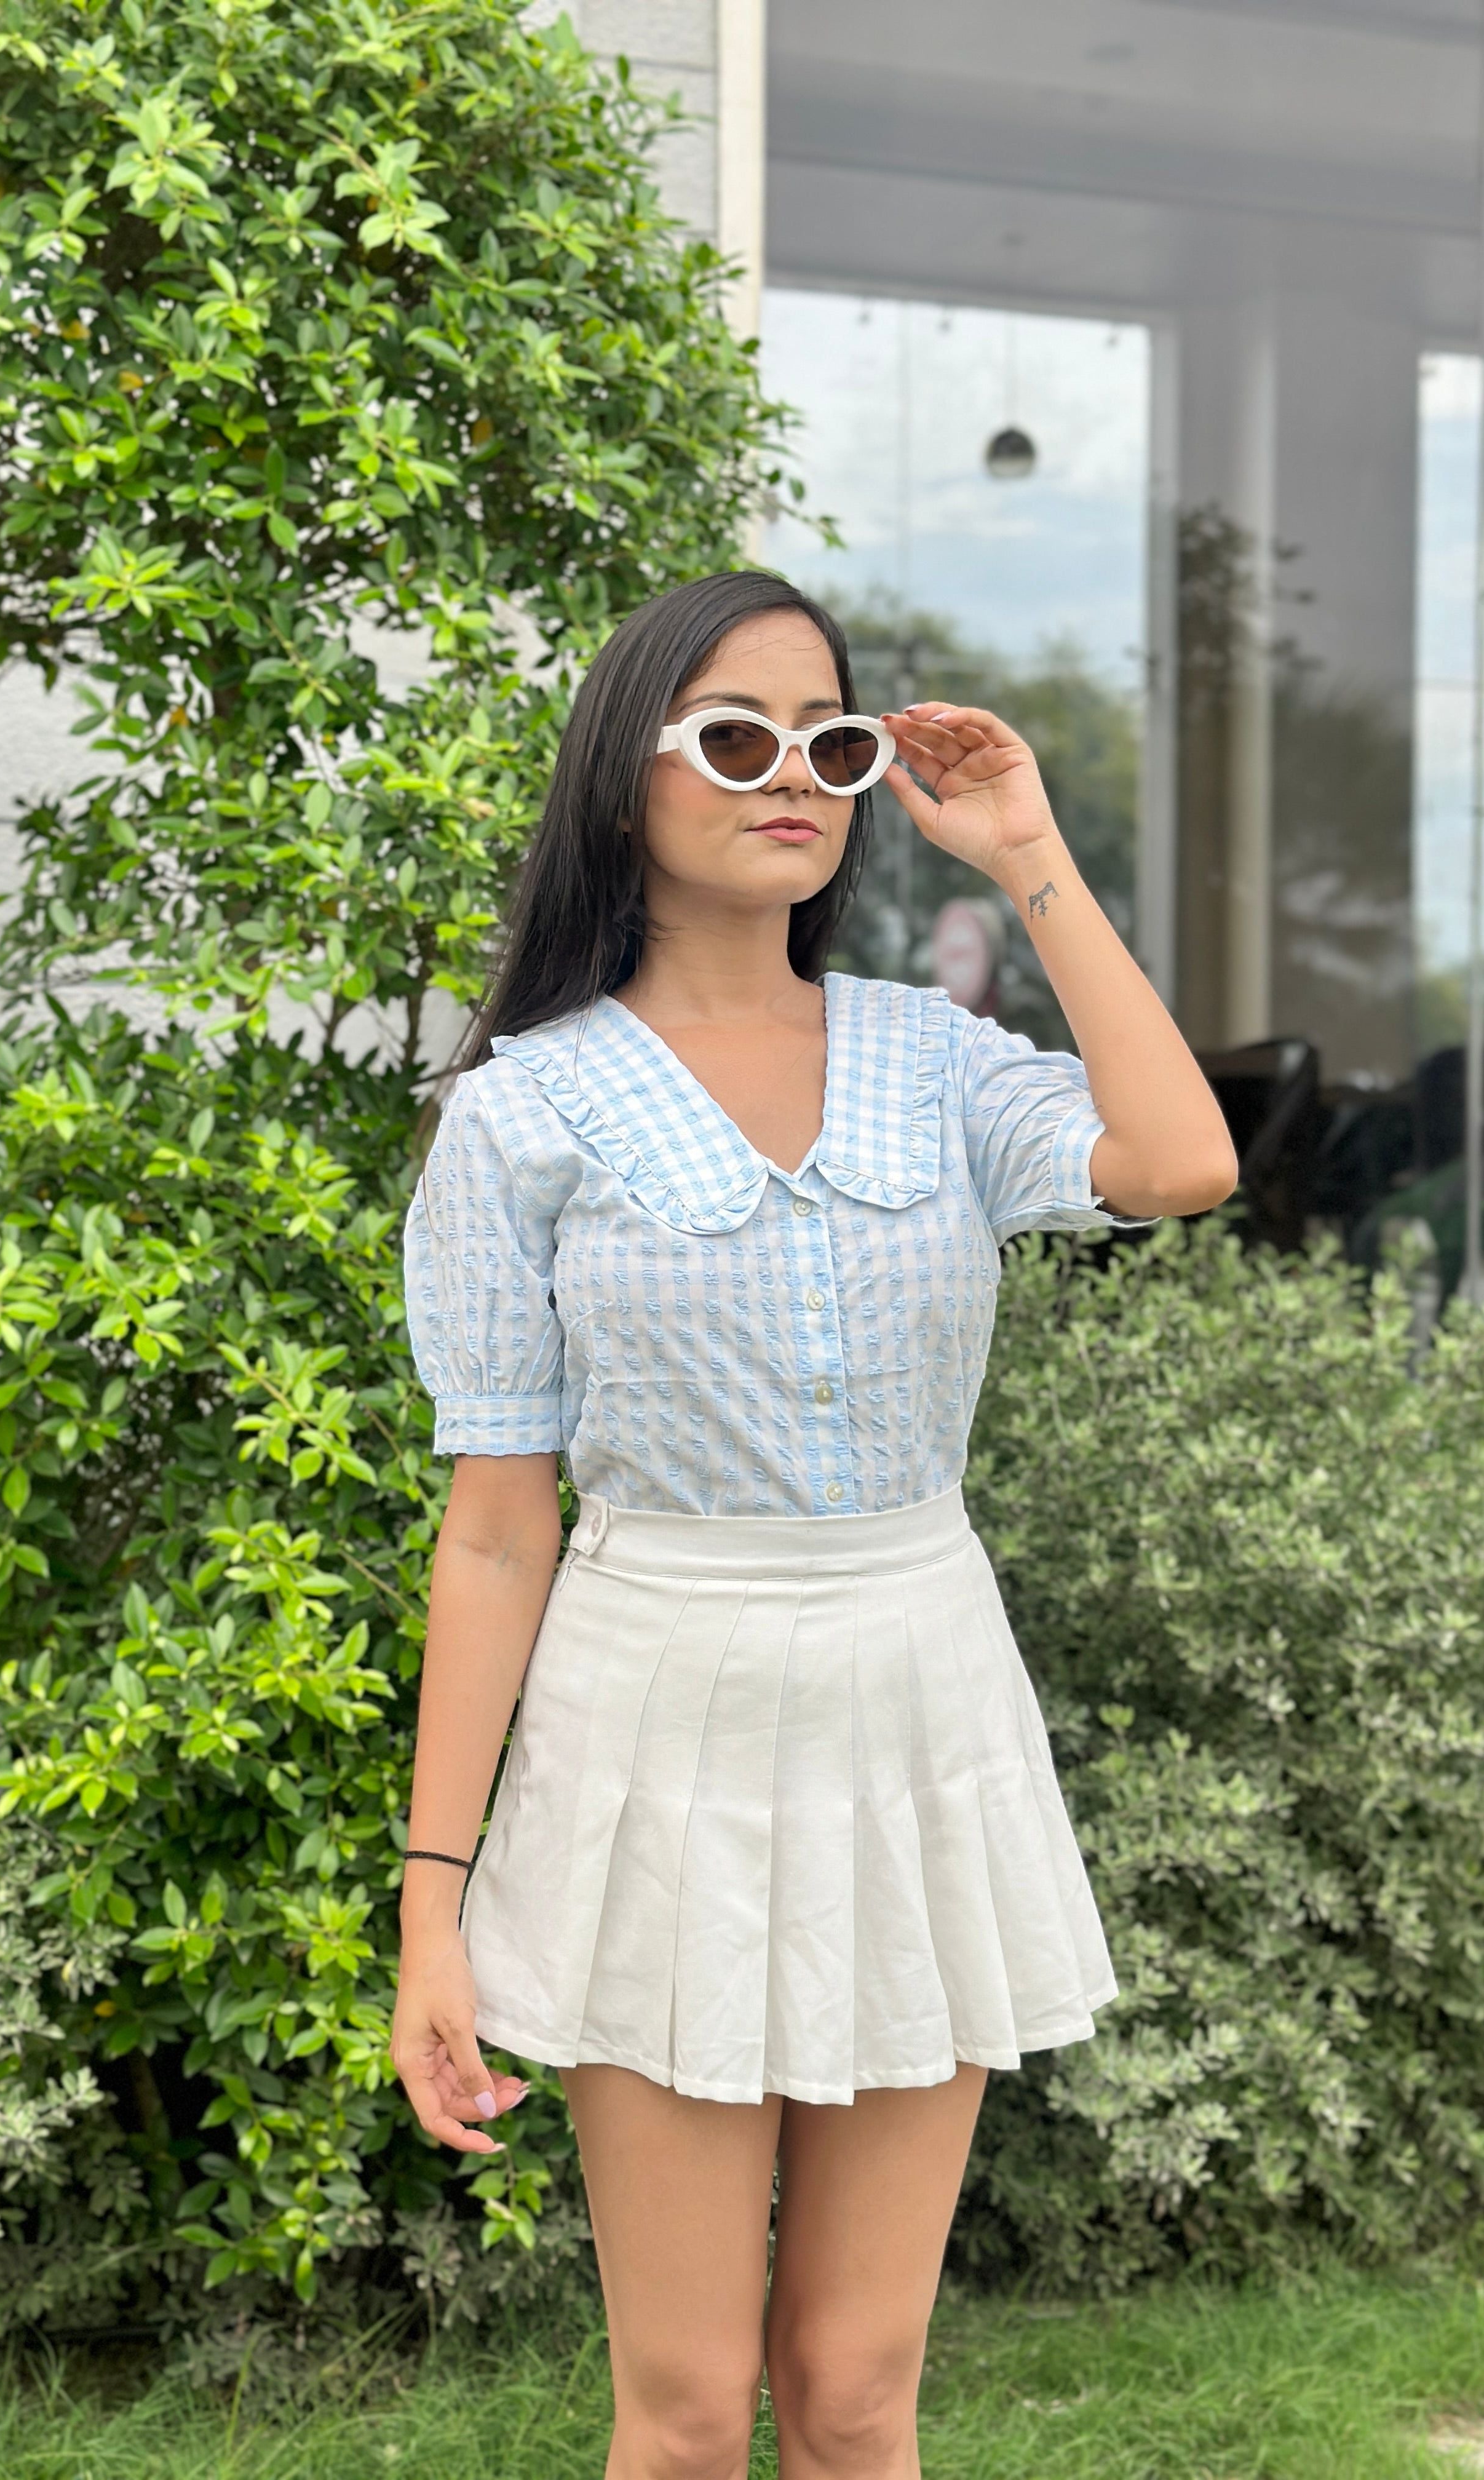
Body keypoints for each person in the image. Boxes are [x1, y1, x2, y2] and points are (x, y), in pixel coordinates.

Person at [391, 569, 1237, 2479]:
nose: (799, 777)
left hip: (916, 1701)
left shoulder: (934, 1061)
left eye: (833, 743)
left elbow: (1181, 1161)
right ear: (628, 783)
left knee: (859, 2394)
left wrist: (1026, 853)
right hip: (654, 1716)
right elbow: (497, 1532)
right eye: (740, 738)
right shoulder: (526, 1116)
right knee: (687, 2412)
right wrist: (433, 1904)